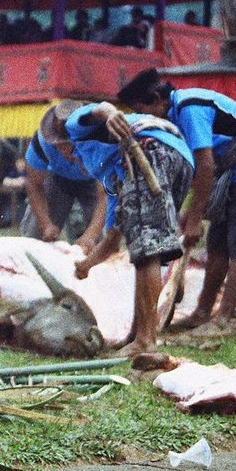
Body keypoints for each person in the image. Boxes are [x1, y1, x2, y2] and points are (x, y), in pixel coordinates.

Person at [115, 68, 236, 331]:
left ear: (156, 99)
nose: (145, 118)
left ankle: (222, 319)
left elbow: (205, 166)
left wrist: (195, 218)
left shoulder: (188, 108)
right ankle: (202, 312)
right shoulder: (173, 115)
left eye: (144, 110)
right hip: (231, 171)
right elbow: (199, 170)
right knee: (217, 244)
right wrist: (189, 212)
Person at [67, 103, 194, 355]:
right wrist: (87, 265)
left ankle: (145, 340)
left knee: (148, 250)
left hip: (148, 151)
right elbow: (114, 237)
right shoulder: (115, 174)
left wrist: (111, 114)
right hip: (180, 159)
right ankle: (138, 335)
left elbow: (100, 107)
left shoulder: (74, 127)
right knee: (146, 245)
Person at [22, 100, 107, 253]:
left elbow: (107, 194)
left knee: (102, 243)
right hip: (57, 179)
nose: (63, 151)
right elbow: (33, 185)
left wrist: (91, 235)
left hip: (95, 183)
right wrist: (46, 224)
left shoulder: (100, 143)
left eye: (68, 145)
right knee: (34, 238)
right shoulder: (41, 144)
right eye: (58, 145)